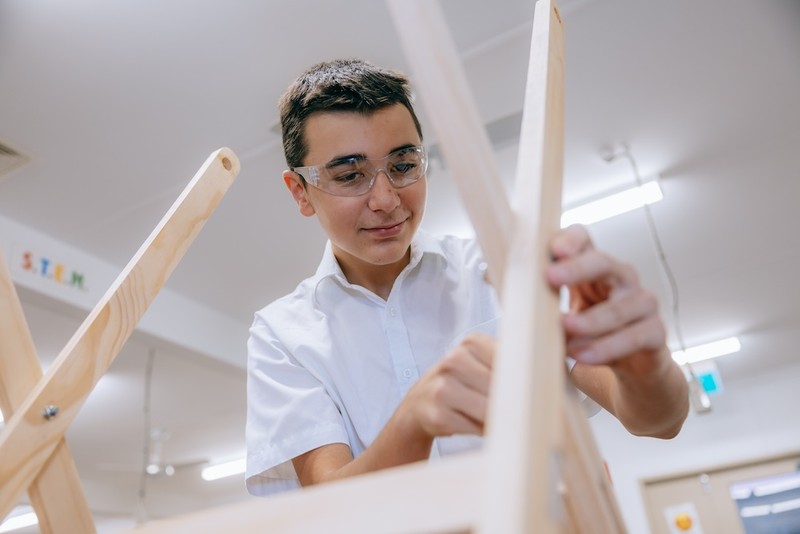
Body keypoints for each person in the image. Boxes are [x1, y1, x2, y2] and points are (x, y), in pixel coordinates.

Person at [245, 58, 689, 495]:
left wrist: (644, 366)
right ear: (300, 192)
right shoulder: (282, 335)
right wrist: (413, 423)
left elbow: (659, 421)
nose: (385, 199)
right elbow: (331, 511)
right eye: (349, 175)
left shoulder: (503, 269)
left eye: (402, 166)